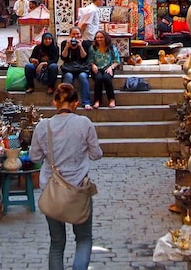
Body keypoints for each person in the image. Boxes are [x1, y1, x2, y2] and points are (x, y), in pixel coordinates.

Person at [29, 83, 103, 270]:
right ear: (76, 103)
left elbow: (34, 157)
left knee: (57, 242)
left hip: (52, 190)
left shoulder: (43, 126)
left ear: (55, 102)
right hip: (78, 189)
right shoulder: (84, 124)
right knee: (84, 238)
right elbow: (96, 154)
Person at [60, 28, 92, 109]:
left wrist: (80, 46)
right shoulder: (65, 43)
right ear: (70, 34)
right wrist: (67, 47)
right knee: (68, 77)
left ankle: (86, 102)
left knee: (83, 77)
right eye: (73, 34)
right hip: (69, 67)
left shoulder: (86, 43)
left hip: (82, 67)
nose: (75, 36)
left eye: (77, 34)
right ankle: (66, 102)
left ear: (81, 34)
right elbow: (64, 57)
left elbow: (85, 58)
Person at [88, 31, 120, 109]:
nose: (99, 39)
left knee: (106, 78)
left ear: (106, 38)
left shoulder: (112, 47)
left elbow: (117, 61)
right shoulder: (93, 47)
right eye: (97, 37)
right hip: (97, 69)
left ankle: (111, 99)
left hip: (108, 68)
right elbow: (90, 60)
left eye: (101, 37)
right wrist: (93, 65)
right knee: (98, 79)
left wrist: (111, 67)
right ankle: (97, 100)